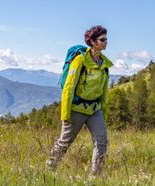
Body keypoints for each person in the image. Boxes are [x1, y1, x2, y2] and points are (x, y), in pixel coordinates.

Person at [47, 25, 112, 176]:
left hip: (95, 110)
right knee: (65, 142)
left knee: (101, 141)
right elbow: (68, 88)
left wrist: (104, 113)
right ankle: (50, 169)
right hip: (76, 109)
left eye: (106, 39)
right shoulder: (79, 61)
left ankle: (95, 177)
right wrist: (65, 114)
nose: (106, 42)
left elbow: (104, 91)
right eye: (102, 39)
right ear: (93, 42)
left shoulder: (105, 65)